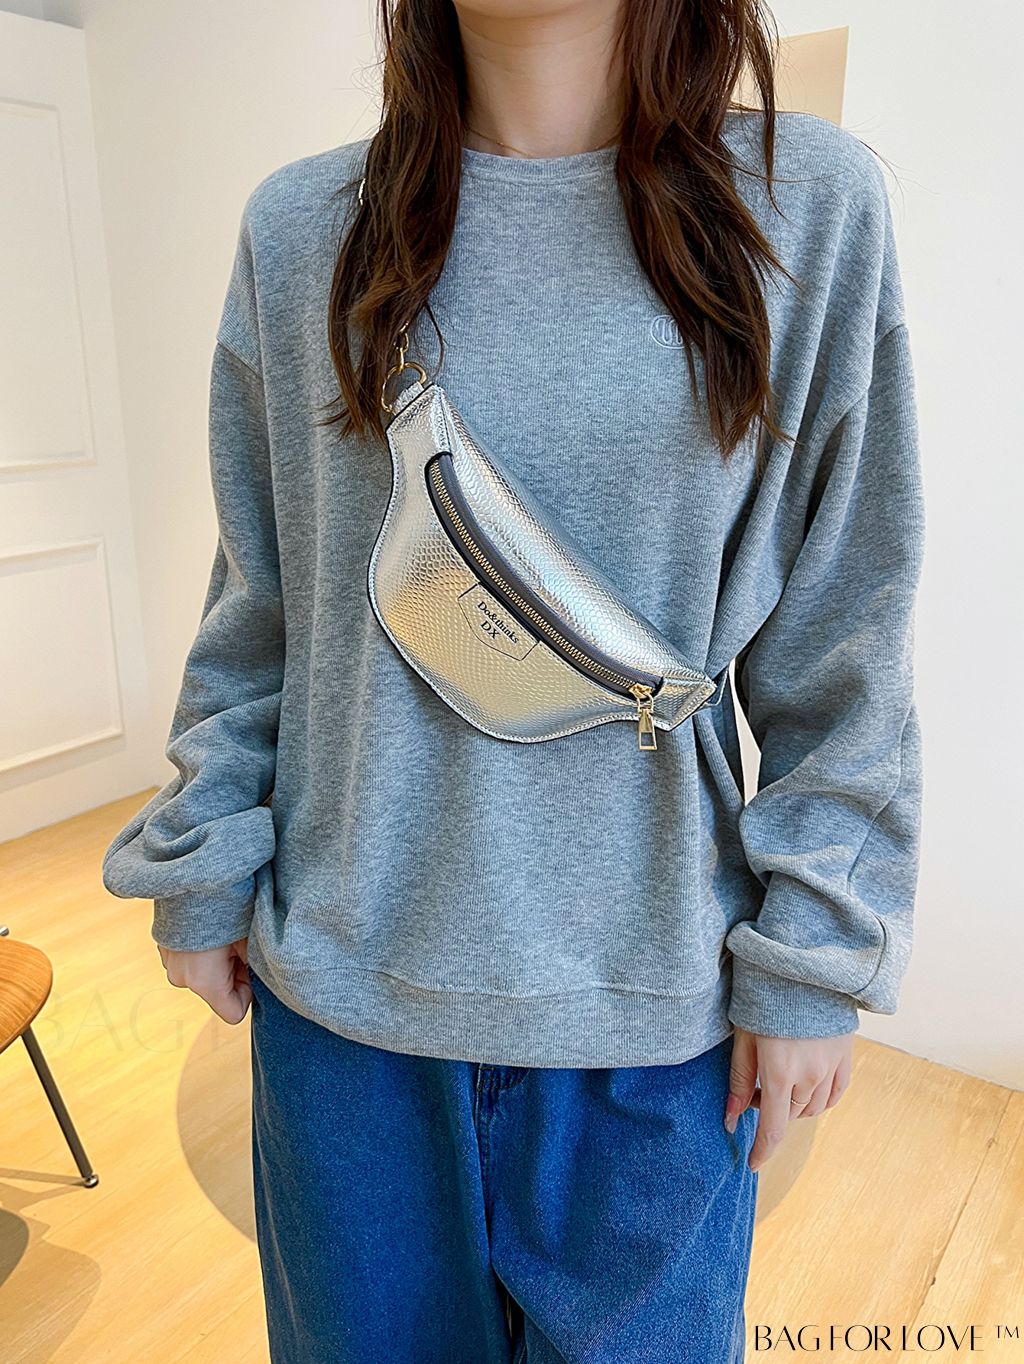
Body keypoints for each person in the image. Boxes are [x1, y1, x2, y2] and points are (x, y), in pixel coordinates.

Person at [101, 1, 926, 1360]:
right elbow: (262, 600)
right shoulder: (302, 230)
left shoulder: (806, 207)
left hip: (653, 1022)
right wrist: (201, 849)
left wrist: (816, 957)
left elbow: (845, 630)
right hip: (346, 1024)